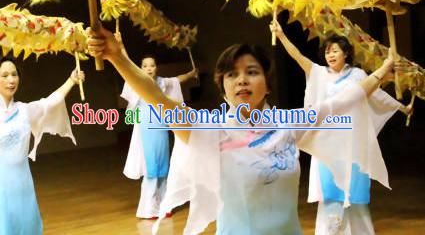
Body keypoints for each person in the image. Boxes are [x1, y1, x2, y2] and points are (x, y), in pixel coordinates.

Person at [87, 26, 398, 235]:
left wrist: (385, 69)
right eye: (232, 75)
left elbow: (349, 98)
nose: (242, 80)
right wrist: (117, 57)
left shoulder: (289, 126)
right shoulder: (211, 131)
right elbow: (159, 99)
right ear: (223, 88)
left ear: (267, 85)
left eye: (252, 72)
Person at [271, 19, 411, 235]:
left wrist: (402, 108)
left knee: (354, 192)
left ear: (346, 53)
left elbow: (377, 95)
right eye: (327, 51)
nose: (330, 55)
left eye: (335, 50)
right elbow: (298, 57)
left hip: (351, 143)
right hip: (327, 144)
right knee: (331, 191)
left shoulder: (357, 76)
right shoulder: (319, 74)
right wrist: (281, 36)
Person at [0, 56, 84, 235]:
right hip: (2, 185)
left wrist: (71, 80)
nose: (11, 80)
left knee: (27, 226)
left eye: (14, 74)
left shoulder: (24, 110)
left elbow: (49, 103)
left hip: (23, 183)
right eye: (5, 75)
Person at [119, 47, 198, 219]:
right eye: (145, 66)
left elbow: (178, 80)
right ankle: (148, 209)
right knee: (152, 168)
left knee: (163, 167)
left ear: (156, 68)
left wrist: (192, 74)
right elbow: (126, 64)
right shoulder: (137, 82)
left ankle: (164, 205)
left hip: (161, 127)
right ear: (140, 68)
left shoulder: (162, 83)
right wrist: (122, 47)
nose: (149, 68)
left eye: (152, 65)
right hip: (146, 129)